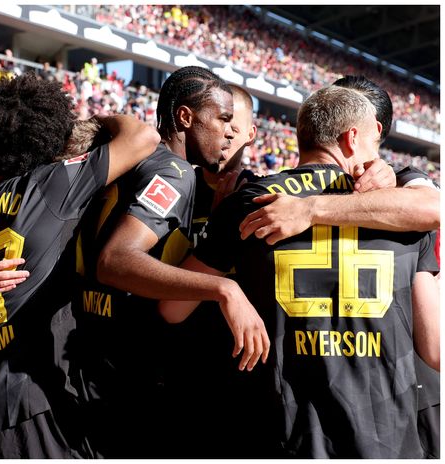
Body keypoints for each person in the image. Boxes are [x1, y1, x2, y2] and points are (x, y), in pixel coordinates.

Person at [160, 85, 440, 458]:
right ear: (352, 137)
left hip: (282, 432)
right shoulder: (404, 215)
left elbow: (172, 308)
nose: (378, 161)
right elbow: (436, 348)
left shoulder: (253, 202)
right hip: (386, 437)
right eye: (376, 143)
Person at [0, 74, 160, 458]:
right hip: (30, 397)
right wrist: (92, 122)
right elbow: (143, 136)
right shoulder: (49, 185)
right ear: (46, 132)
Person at [71, 67, 267, 458]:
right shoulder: (174, 172)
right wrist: (223, 289)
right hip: (123, 375)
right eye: (223, 119)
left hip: (84, 356)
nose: (229, 132)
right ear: (185, 118)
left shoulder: (123, 161)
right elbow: (115, 260)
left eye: (235, 123)